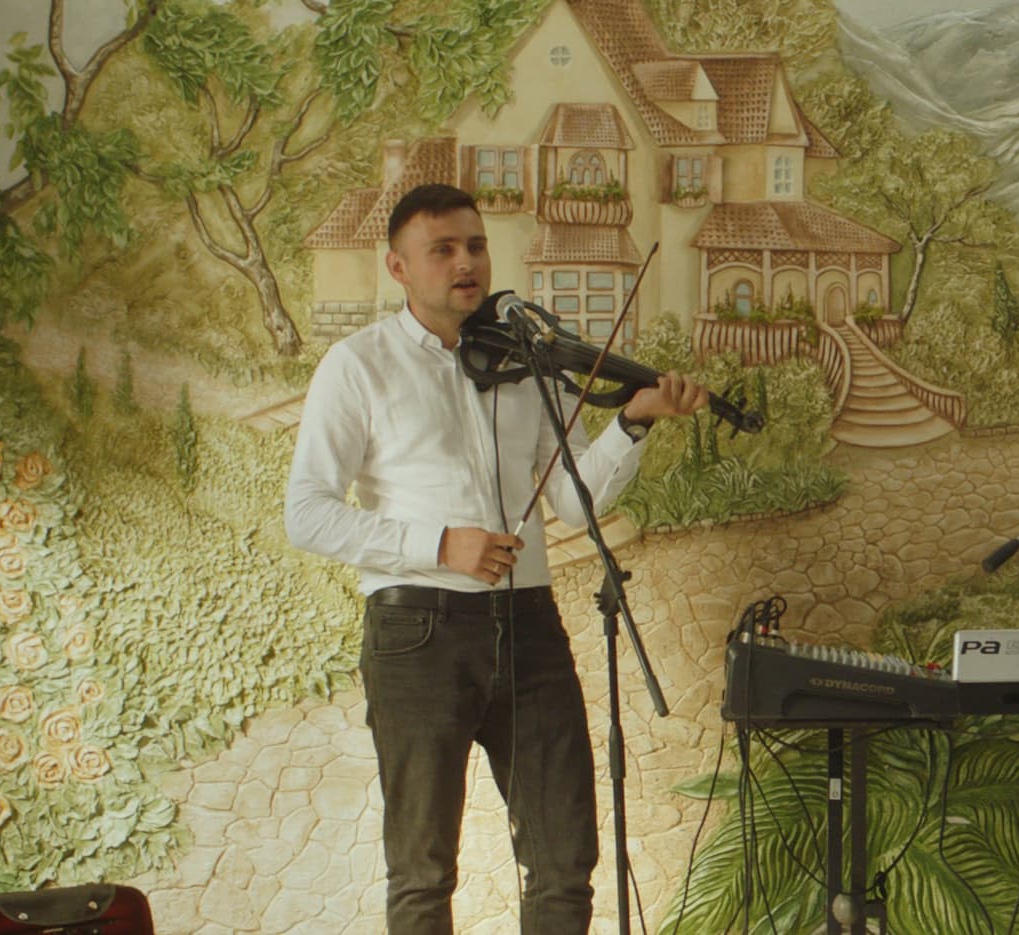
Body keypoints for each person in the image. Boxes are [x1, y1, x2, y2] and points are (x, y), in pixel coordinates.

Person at [284, 183, 707, 934]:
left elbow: (572, 500)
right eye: (442, 249)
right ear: (398, 266)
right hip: (418, 631)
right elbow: (307, 511)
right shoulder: (358, 366)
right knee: (423, 872)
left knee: (564, 860)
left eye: (475, 246)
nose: (466, 262)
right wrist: (439, 544)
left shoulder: (526, 361)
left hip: (529, 623)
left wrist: (633, 424)